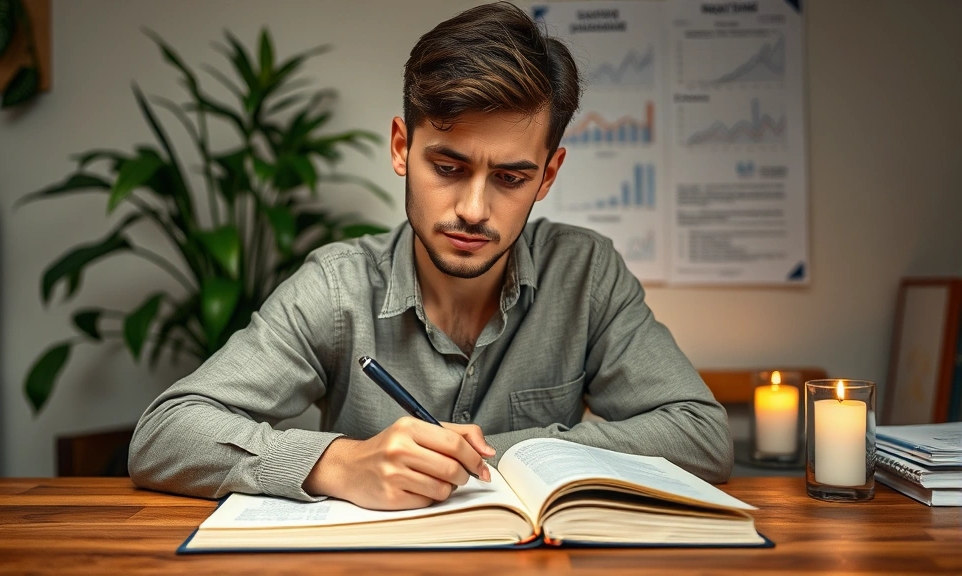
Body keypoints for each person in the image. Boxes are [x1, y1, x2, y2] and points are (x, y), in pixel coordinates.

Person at [128, 1, 733, 510]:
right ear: (401, 147)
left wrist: (524, 449)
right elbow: (163, 434)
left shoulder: (586, 275)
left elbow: (702, 436)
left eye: (511, 178)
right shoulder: (338, 289)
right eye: (448, 167)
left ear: (548, 175)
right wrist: (339, 464)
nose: (473, 208)